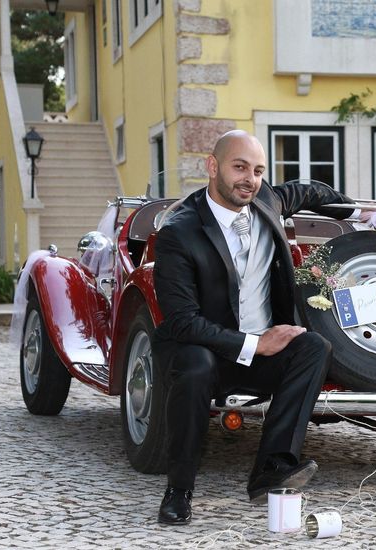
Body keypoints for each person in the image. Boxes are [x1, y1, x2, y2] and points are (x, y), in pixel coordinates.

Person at [152, 130, 357, 524]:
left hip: (263, 352)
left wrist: (359, 212)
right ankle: (178, 489)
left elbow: (311, 191)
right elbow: (182, 321)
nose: (250, 178)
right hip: (203, 348)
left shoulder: (267, 199)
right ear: (213, 167)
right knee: (195, 366)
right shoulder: (179, 231)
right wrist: (253, 344)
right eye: (239, 167)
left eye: (259, 170)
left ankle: (272, 467)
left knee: (313, 347)